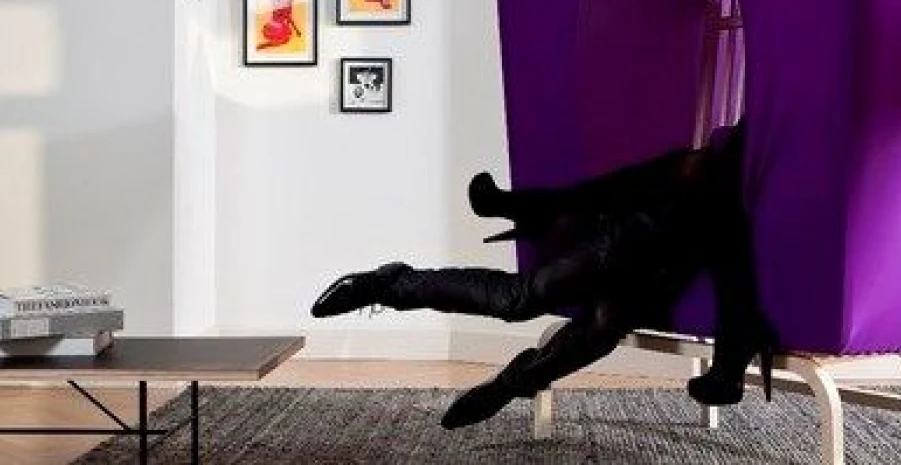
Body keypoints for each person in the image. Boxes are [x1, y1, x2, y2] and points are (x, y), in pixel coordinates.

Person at [310, 121, 779, 429]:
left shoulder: (740, 207)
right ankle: (390, 284)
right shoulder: (709, 168)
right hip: (621, 244)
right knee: (520, 301)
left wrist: (728, 366)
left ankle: (509, 383)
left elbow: (735, 278)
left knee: (596, 334)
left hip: (651, 279)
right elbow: (620, 191)